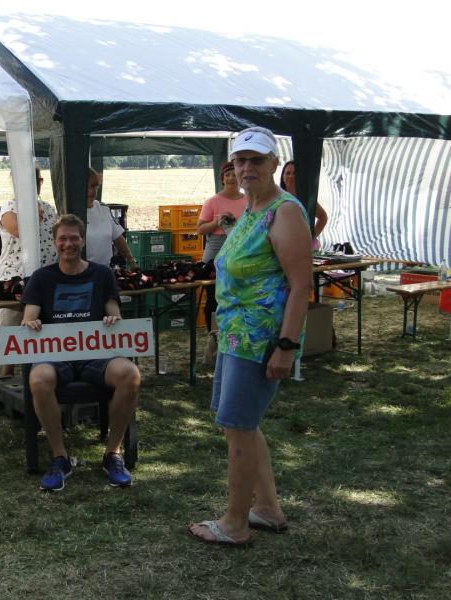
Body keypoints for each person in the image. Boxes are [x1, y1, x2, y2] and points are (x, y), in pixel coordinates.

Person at [188, 126, 312, 546]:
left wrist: (286, 346)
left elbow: (301, 285)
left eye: (256, 160)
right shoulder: (251, 208)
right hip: (234, 335)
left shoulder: (284, 211)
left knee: (239, 427)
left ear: (274, 163)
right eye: (240, 160)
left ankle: (234, 523)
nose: (247, 168)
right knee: (237, 424)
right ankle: (268, 508)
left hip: (259, 339)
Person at [22, 213, 141, 491]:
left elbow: (115, 314)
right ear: (54, 242)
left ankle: (112, 454)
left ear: (83, 240)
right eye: (62, 238)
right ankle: (60, 458)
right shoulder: (41, 277)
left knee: (130, 374)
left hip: (96, 353)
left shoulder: (102, 274)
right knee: (38, 379)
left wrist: (112, 319)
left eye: (74, 238)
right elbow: (28, 317)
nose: (68, 244)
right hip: (54, 353)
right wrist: (32, 323)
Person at [0, 165, 58, 377]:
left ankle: (38, 371)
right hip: (13, 279)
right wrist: (31, 212)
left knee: (41, 328)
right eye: (25, 182)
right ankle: (7, 374)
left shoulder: (49, 209)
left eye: (36, 181)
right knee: (13, 328)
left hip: (45, 277)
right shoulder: (9, 208)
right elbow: (18, 230)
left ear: (40, 183)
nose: (31, 186)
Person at [197, 161, 246, 330]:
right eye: (227, 175)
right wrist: (216, 222)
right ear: (222, 178)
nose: (231, 178)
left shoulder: (249, 200)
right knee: (213, 295)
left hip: (239, 248)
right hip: (215, 249)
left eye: (234, 174)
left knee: (237, 293)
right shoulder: (212, 201)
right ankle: (214, 333)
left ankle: (235, 330)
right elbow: (200, 229)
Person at [85, 168, 138, 269]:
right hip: (84, 272)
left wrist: (131, 261)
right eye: (90, 187)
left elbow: (118, 238)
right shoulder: (72, 212)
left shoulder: (103, 209)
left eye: (96, 186)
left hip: (105, 270)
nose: (93, 191)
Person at [280, 160, 328, 247]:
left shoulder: (306, 198)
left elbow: (323, 217)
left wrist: (312, 236)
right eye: (287, 173)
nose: (291, 176)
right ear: (283, 177)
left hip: (305, 247)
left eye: (295, 173)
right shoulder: (277, 199)